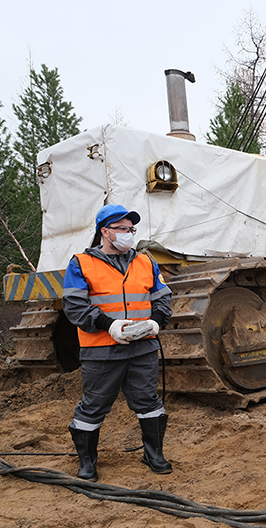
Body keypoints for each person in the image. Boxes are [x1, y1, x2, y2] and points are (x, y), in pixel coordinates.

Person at [62, 204, 174, 481]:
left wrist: (156, 321)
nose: (129, 234)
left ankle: (154, 454)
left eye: (131, 229)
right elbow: (74, 306)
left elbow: (162, 297)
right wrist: (108, 325)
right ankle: (87, 461)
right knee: (94, 405)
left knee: (148, 401)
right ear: (105, 232)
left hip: (143, 347)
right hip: (101, 348)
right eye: (123, 229)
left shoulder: (146, 261)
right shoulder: (81, 263)